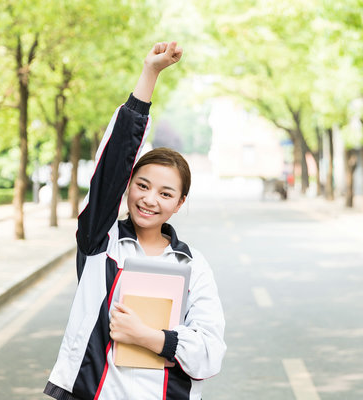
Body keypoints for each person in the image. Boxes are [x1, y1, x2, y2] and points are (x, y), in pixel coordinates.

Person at [44, 42, 226, 400]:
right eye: (142, 185)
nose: (149, 199)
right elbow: (112, 163)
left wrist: (146, 336)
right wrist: (150, 73)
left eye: (165, 193)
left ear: (179, 203)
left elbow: (209, 352)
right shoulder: (102, 243)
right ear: (127, 187)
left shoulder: (192, 266)